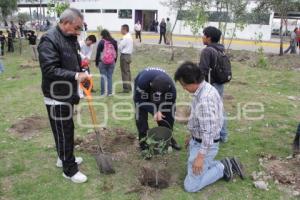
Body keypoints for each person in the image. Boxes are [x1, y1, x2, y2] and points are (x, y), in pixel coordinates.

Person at [174, 61, 244, 193]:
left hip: (206, 145)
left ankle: (223, 167)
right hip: (198, 141)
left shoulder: (205, 99)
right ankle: (219, 163)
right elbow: (200, 120)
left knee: (190, 186)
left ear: (194, 81)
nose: (183, 88)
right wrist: (192, 136)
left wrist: (200, 157)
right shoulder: (204, 88)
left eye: (184, 85)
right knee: (192, 168)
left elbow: (209, 132)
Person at [38, 8, 90, 183]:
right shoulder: (49, 40)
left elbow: (74, 58)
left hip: (67, 92)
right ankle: (69, 170)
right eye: (76, 28)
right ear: (66, 22)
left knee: (64, 129)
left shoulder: (70, 37)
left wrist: (81, 65)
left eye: (80, 29)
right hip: (56, 94)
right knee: (64, 131)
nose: (78, 32)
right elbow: (49, 69)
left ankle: (64, 158)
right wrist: (76, 75)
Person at [134, 67, 181, 151]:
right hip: (144, 91)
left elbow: (170, 105)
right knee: (140, 115)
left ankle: (168, 137)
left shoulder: (171, 88)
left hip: (162, 91)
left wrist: (161, 111)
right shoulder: (142, 82)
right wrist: (154, 111)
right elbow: (138, 100)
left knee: (169, 115)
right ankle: (143, 142)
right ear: (151, 84)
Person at [198, 26, 229, 143]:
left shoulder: (207, 51)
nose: (202, 37)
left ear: (209, 38)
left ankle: (210, 134)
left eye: (204, 35)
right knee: (219, 109)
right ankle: (223, 135)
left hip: (210, 86)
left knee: (208, 110)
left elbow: (202, 71)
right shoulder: (220, 49)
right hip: (219, 84)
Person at [95, 29, 118, 96]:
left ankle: (103, 93)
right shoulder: (114, 41)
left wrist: (97, 63)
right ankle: (110, 93)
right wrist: (114, 61)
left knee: (103, 77)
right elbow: (116, 52)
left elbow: (98, 53)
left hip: (102, 62)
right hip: (112, 62)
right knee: (109, 77)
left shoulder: (101, 42)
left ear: (102, 35)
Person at [119, 24, 133, 93]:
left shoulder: (125, 37)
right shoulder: (130, 36)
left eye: (121, 29)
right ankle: (129, 87)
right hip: (129, 55)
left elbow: (120, 47)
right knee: (128, 72)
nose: (120, 31)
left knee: (124, 72)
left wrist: (119, 43)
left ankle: (126, 88)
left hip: (124, 55)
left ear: (125, 30)